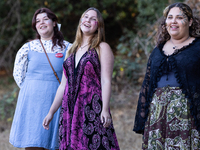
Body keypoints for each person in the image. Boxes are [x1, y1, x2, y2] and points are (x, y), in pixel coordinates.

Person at [43, 7, 120, 150]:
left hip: (91, 107)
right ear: (80, 22)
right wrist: (51, 112)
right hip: (69, 109)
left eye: (93, 19)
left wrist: (104, 109)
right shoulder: (71, 50)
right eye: (85, 17)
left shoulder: (102, 48)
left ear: (99, 25)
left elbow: (106, 81)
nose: (88, 20)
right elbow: (63, 86)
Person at [133, 2, 200, 149]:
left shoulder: (198, 47)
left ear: (189, 22)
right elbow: (146, 85)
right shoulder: (157, 51)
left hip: (187, 116)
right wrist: (143, 117)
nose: (173, 21)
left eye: (179, 17)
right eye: (170, 17)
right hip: (157, 116)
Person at [9, 8, 71, 150]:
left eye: (45, 19)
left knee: (55, 144)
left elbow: (72, 77)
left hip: (57, 101)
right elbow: (18, 74)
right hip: (31, 103)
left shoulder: (68, 47)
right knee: (33, 143)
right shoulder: (28, 48)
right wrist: (32, 88)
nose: (41, 23)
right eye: (37, 21)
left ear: (54, 22)